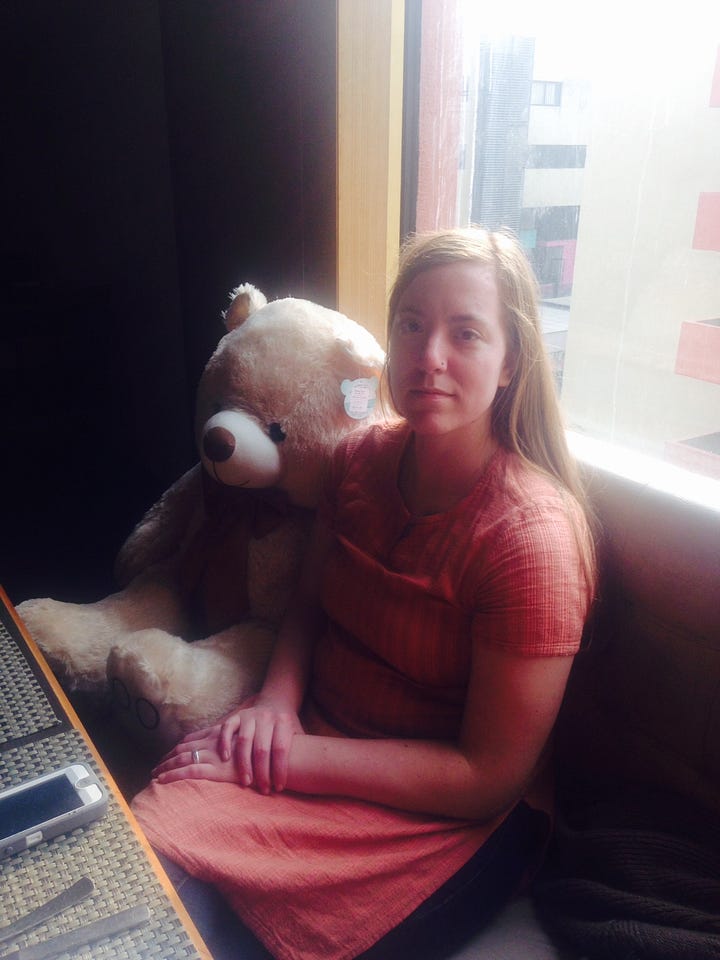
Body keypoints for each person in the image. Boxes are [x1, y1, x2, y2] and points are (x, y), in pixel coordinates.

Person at [132, 227, 596, 960]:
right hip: (321, 736)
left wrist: (288, 761)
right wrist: (274, 707)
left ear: (512, 362)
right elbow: (306, 608)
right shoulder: (358, 459)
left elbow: (486, 777)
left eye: (465, 333)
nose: (429, 355)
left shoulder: (532, 540)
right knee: (144, 840)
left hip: (446, 817)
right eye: (411, 324)